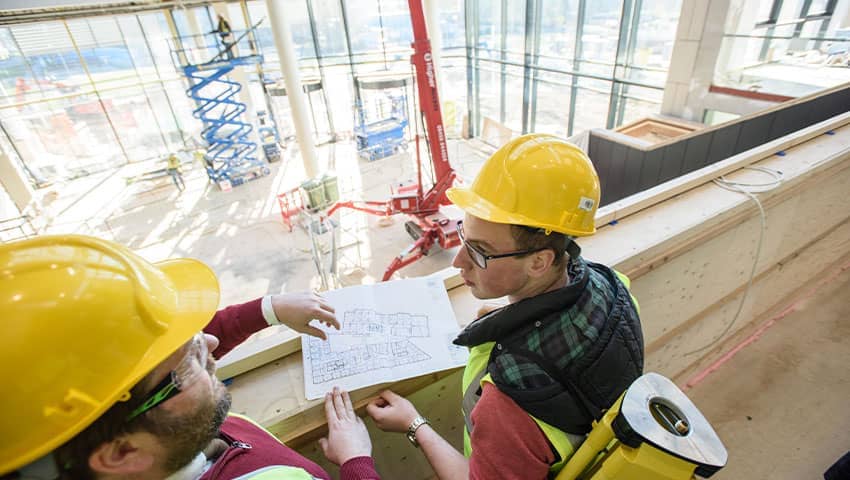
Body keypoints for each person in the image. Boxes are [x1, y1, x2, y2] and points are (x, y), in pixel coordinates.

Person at [365, 134, 645, 479]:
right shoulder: (614, 288)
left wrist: (414, 423)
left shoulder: (508, 407)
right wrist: (507, 321)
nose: (458, 262)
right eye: (463, 236)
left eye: (480, 251)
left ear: (540, 262)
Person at [0, 234, 378, 479]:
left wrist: (268, 309)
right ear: (122, 451)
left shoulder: (88, 434)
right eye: (190, 362)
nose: (210, 344)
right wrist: (356, 462)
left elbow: (156, 355)